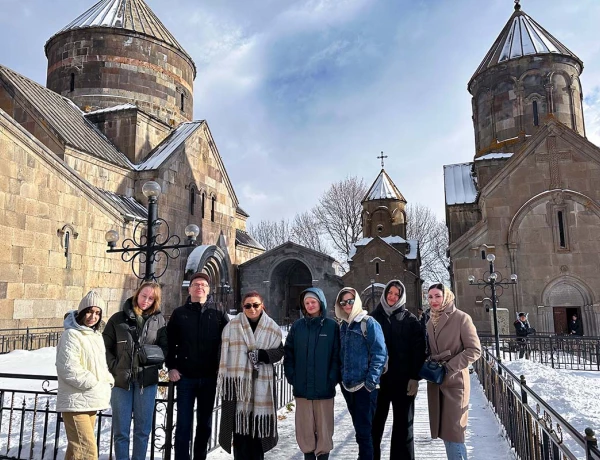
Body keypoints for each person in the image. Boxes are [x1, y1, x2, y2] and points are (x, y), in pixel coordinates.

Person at [166, 272, 229, 460]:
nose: (199, 287)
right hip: (186, 377)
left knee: (205, 425)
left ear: (208, 289)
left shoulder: (218, 311)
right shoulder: (179, 313)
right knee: (184, 424)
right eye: (196, 284)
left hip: (209, 377)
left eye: (203, 284)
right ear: (189, 288)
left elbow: (229, 340)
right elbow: (170, 343)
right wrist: (171, 367)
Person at [103, 281, 168, 460]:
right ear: (136, 294)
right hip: (122, 381)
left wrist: (153, 357)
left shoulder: (159, 320)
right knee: (121, 431)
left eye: (150, 298)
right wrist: (114, 367)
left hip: (146, 382)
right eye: (143, 295)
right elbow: (105, 346)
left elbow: (165, 347)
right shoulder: (118, 319)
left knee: (143, 431)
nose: (146, 300)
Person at [217, 291, 284, 459]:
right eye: (248, 305)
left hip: (262, 387)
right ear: (243, 307)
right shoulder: (232, 327)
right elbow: (222, 352)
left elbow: (280, 352)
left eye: (255, 305)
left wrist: (263, 355)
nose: (252, 309)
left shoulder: (272, 328)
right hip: (238, 388)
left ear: (262, 306)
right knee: (239, 432)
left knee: (258, 434)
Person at [370, 280, 426, 460]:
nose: (392, 297)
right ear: (385, 293)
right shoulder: (373, 318)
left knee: (403, 428)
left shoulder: (410, 320)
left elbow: (419, 350)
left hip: (404, 382)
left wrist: (415, 377)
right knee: (374, 426)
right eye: (390, 293)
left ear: (401, 297)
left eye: (396, 294)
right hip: (379, 382)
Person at [56, 290, 114, 460]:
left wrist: (107, 380)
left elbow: (100, 365)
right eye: (89, 311)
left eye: (97, 313)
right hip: (76, 401)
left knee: (76, 451)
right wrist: (94, 383)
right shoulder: (71, 335)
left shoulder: (95, 335)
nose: (93, 316)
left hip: (90, 400)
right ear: (81, 312)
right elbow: (68, 368)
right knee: (87, 451)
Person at [426, 283, 481, 460]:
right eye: (430, 297)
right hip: (436, 381)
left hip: (455, 382)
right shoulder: (430, 321)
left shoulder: (461, 318)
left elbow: (474, 350)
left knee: (454, 434)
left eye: (438, 296)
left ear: (446, 296)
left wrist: (449, 366)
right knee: (445, 433)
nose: (434, 300)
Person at [284, 287, 340, 460]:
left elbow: (337, 356)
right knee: (305, 430)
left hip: (324, 389)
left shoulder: (332, 327)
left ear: (320, 303)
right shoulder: (297, 327)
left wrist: (332, 379)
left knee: (324, 431)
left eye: (313, 302)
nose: (310, 305)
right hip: (302, 389)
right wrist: (292, 375)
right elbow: (289, 353)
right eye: (307, 303)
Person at [335, 287, 387, 460]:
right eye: (343, 302)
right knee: (360, 432)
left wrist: (370, 383)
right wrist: (342, 378)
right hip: (348, 387)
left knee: (365, 433)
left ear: (356, 301)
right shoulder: (342, 325)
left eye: (350, 301)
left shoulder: (368, 323)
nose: (347, 305)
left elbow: (380, 353)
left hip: (365, 387)